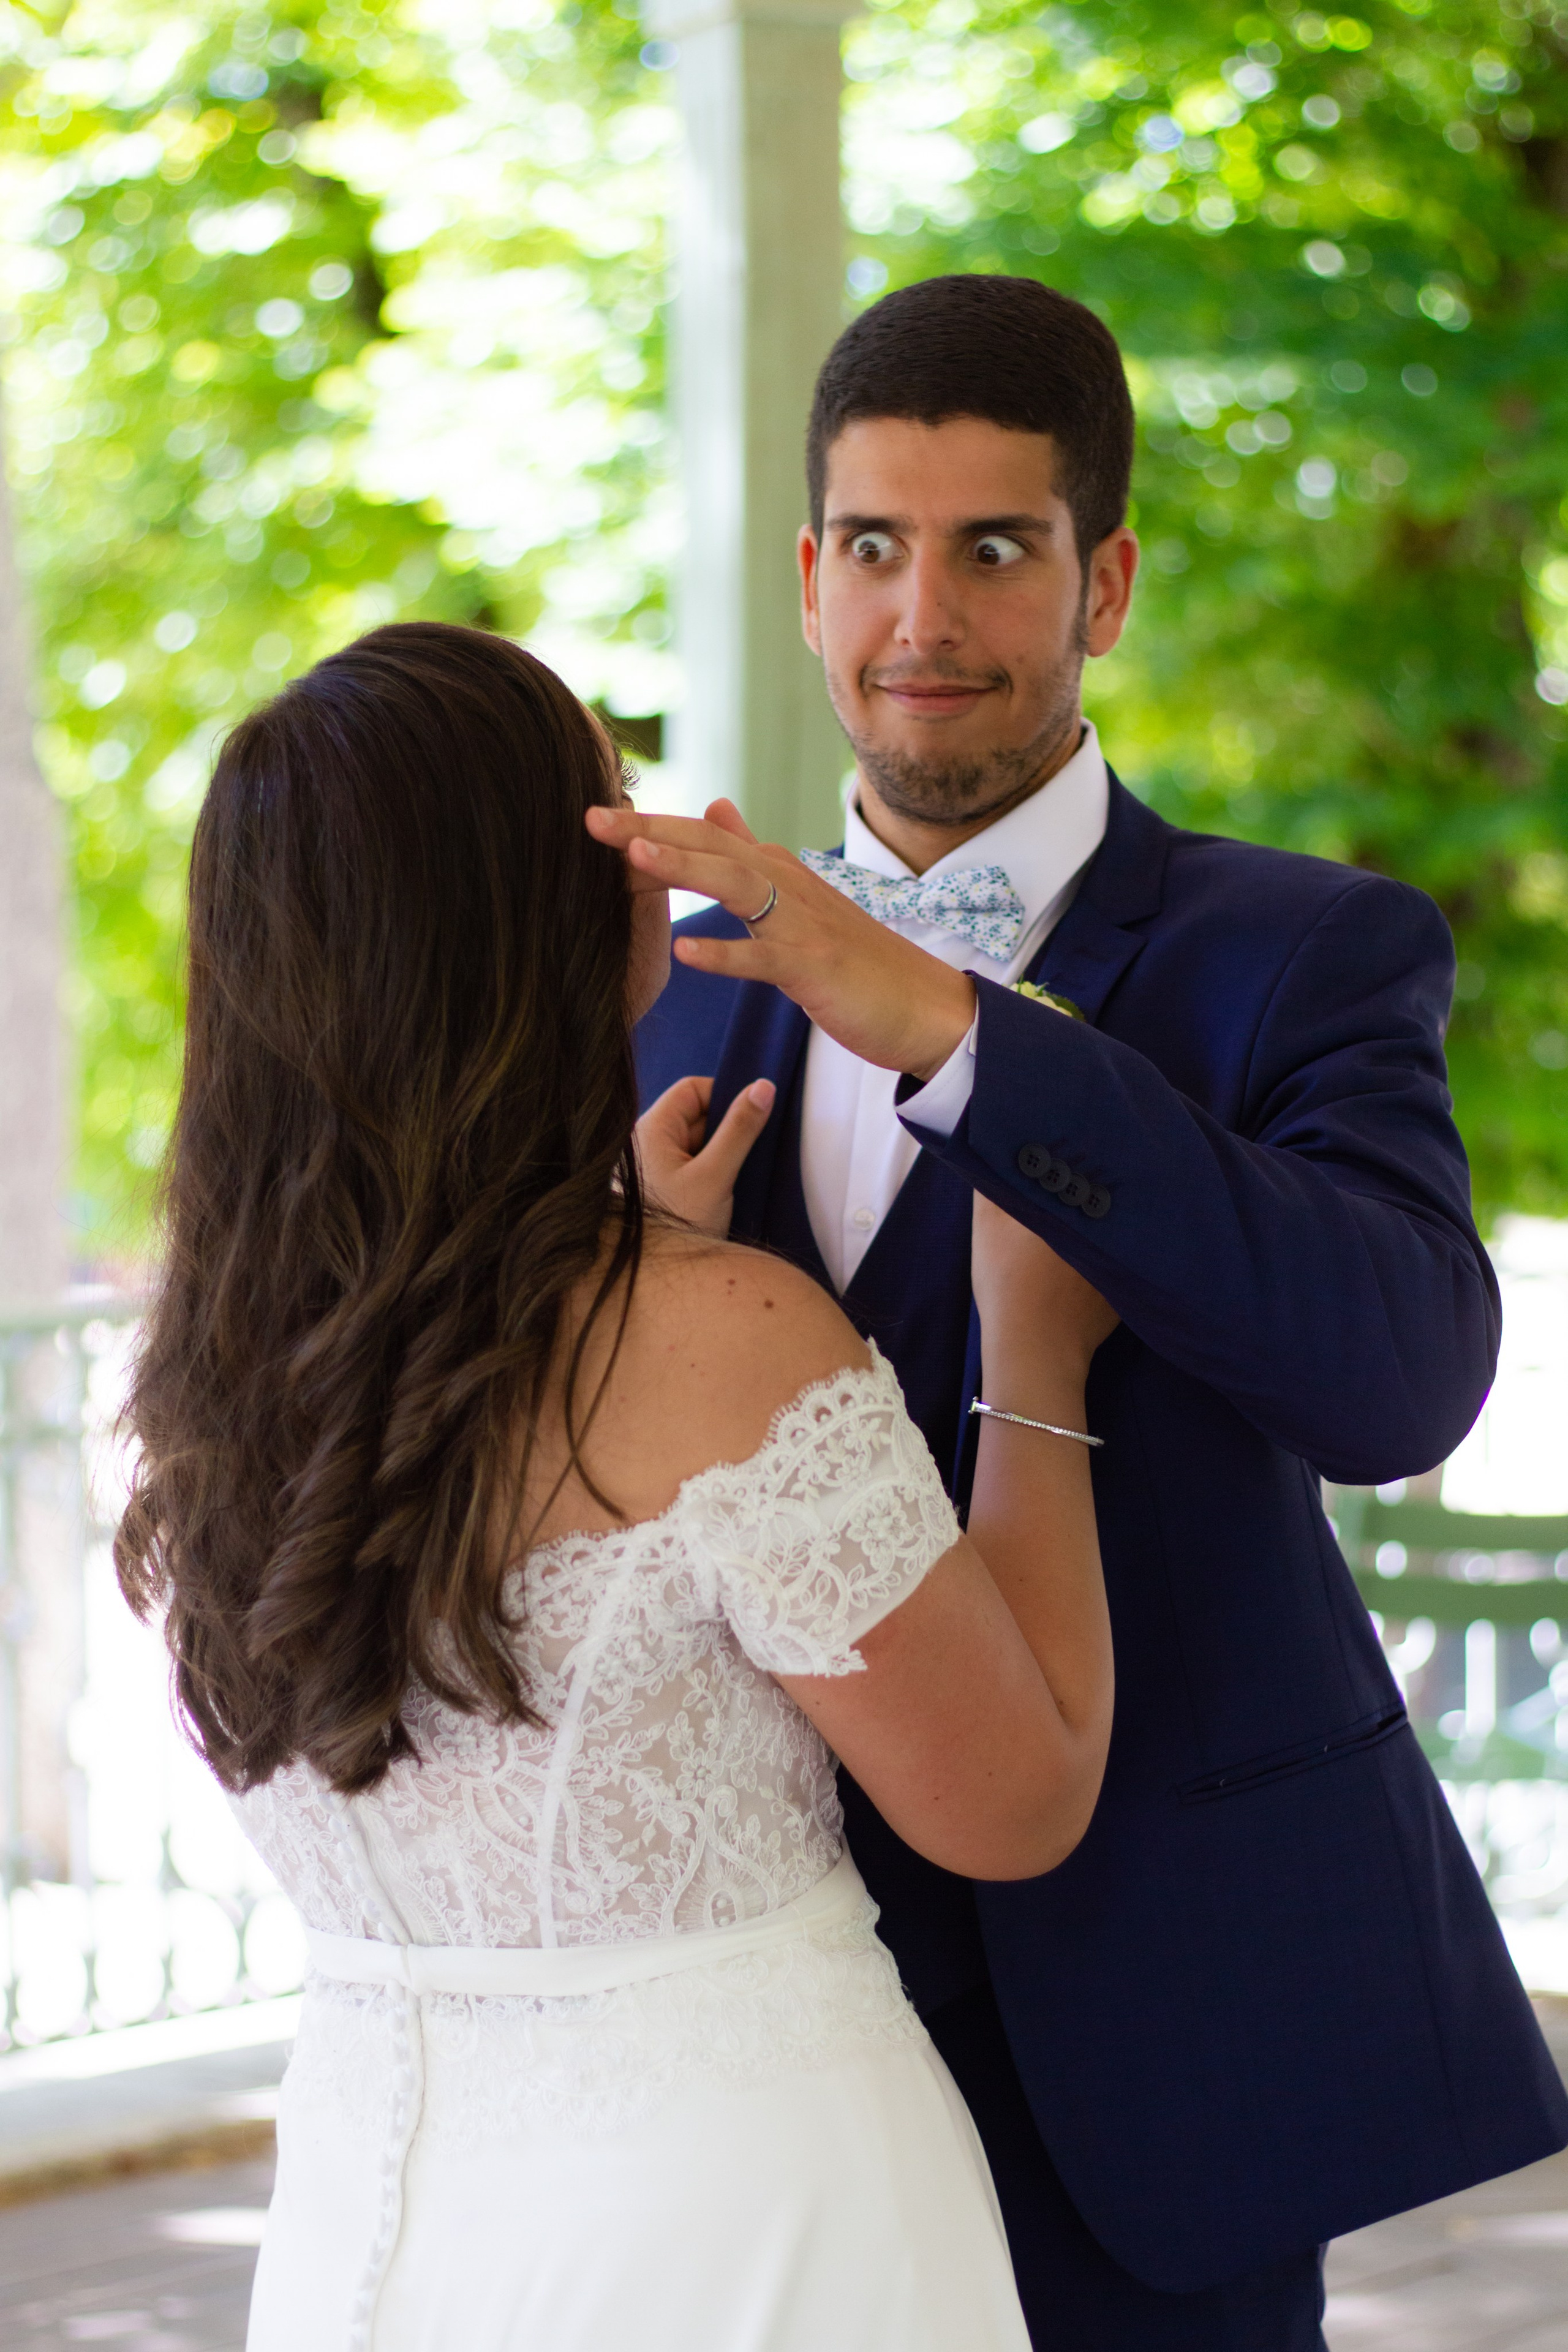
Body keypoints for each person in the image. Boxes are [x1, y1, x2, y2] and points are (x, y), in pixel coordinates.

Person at [610, 273, 1568, 2351]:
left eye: (995, 550)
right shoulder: (650, 980)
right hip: (745, 2048)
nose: (922, 619)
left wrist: (957, 1034)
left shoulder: (1305, 955)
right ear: (806, 577)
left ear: (1105, 580)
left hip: (1155, 2058)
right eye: (873, 547)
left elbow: (1403, 1378)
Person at [113, 619, 1123, 2351]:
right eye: (612, 801)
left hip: (375, 2213)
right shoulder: (725, 1341)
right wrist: (1035, 1358)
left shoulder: (213, 1373)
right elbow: (1013, 1803)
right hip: (746, 2228)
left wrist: (642, 1265)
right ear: (541, 905)